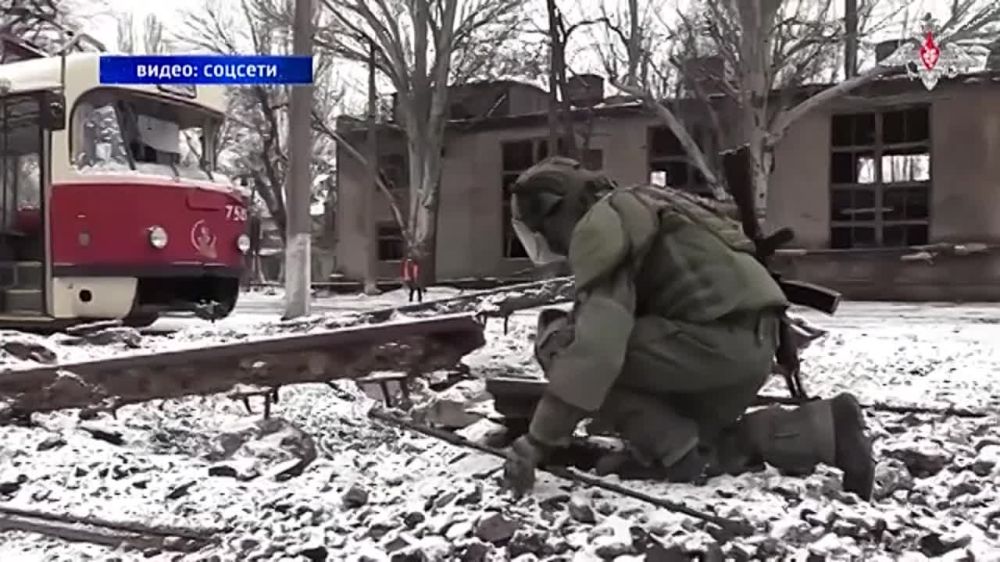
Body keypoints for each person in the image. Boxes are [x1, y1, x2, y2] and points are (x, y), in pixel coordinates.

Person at [501, 156, 874, 500]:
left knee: (563, 342)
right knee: (717, 442)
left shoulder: (600, 224)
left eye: (541, 229)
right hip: (748, 347)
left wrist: (539, 440)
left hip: (710, 347)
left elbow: (596, 351)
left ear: (556, 210)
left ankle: (680, 454)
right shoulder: (650, 201)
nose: (551, 244)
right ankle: (824, 427)